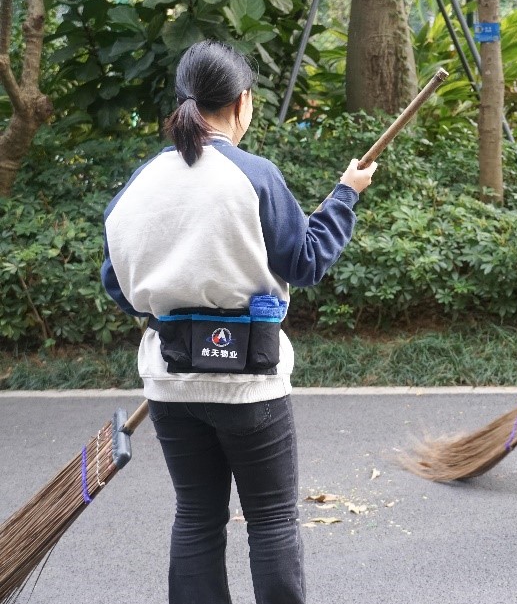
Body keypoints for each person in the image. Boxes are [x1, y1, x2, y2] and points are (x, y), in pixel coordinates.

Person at [101, 40, 377, 603]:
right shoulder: (254, 175)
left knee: (197, 517)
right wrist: (345, 196)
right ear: (243, 103)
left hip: (172, 381)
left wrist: (174, 305)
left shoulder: (140, 184)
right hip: (251, 380)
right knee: (272, 518)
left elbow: (118, 284)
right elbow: (305, 261)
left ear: (184, 103)